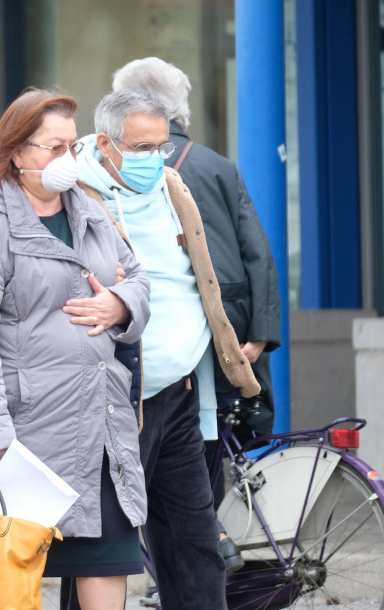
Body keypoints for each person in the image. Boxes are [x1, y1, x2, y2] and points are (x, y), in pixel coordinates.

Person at [0, 87, 151, 609]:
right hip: (22, 441)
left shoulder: (87, 211)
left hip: (98, 429)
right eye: (54, 147)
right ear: (17, 153)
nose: (68, 160)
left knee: (106, 562)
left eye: (73, 146)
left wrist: (119, 304)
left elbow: (138, 277)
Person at [70, 89, 261, 610]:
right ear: (106, 144)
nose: (154, 158)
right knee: (101, 552)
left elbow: (198, 274)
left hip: (178, 392)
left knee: (194, 544)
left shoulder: (171, 186)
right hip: (116, 401)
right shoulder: (78, 196)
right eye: (141, 147)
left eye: (161, 145)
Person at [111, 57, 283, 607]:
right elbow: (258, 252)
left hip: (168, 360)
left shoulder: (135, 178)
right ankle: (215, 533)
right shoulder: (217, 165)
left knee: (152, 503)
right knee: (200, 467)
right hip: (213, 344)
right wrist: (259, 334)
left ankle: (215, 536)